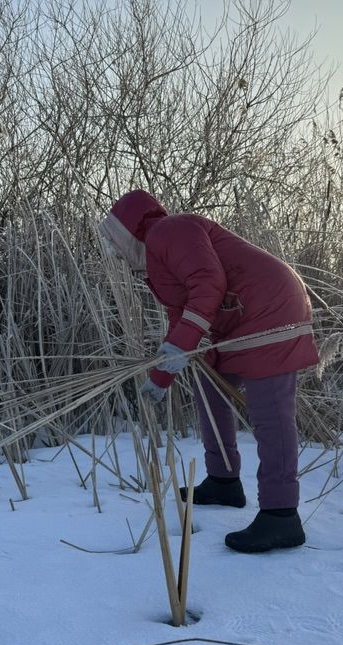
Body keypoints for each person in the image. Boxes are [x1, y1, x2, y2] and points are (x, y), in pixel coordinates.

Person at [99, 190, 319, 553]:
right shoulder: (155, 260)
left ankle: (282, 516)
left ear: (127, 231)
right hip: (233, 318)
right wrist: (163, 373)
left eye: (114, 242)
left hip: (269, 307)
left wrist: (179, 349)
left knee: (270, 413)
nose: (115, 253)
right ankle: (224, 481)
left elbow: (208, 284)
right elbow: (181, 313)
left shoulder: (170, 230)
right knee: (209, 388)